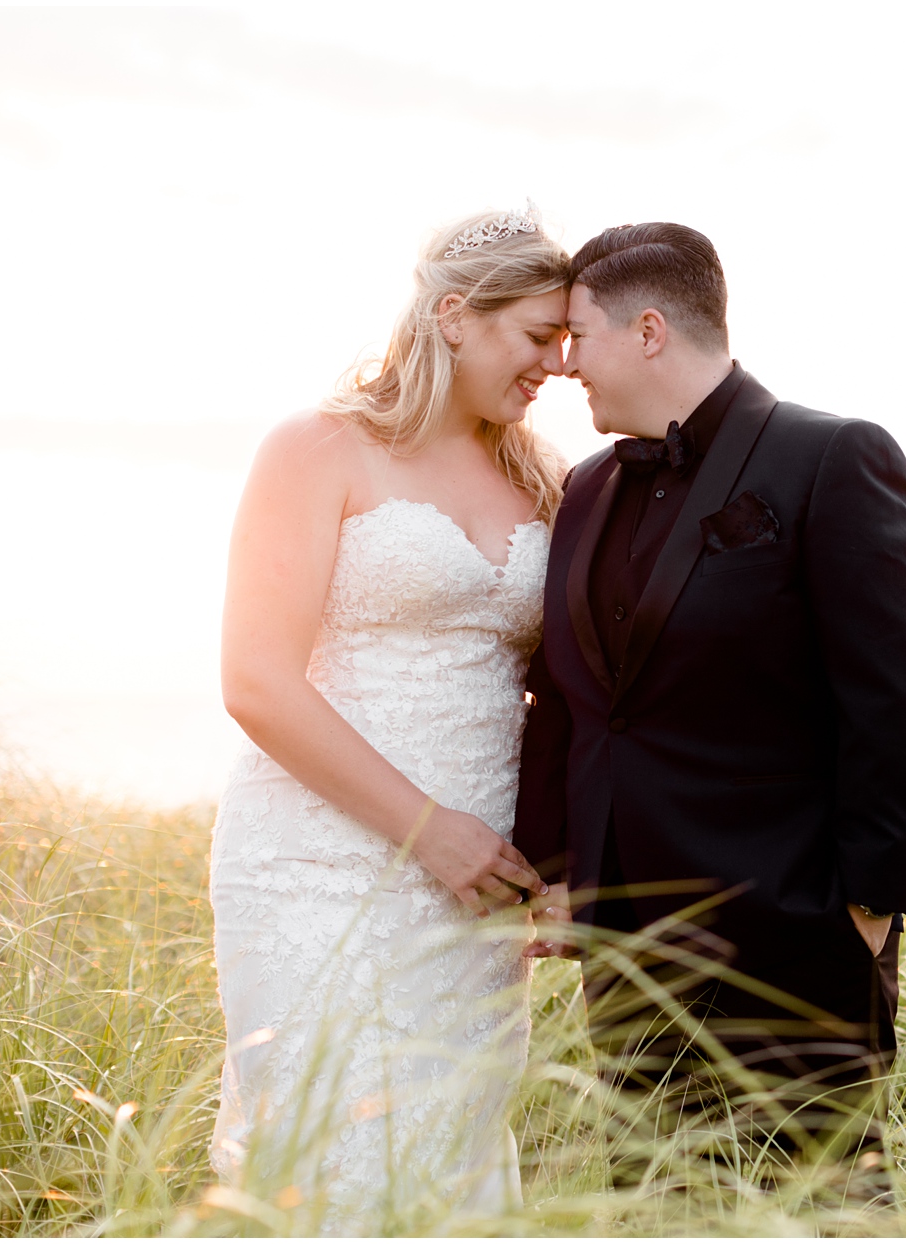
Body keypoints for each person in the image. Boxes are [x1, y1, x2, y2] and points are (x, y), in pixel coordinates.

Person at [513, 222, 906, 1191]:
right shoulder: (584, 489)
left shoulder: (834, 458)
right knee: (658, 1201)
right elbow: (569, 696)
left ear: (651, 329)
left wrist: (872, 907)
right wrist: (550, 865)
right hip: (621, 943)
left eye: (580, 333)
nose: (567, 360)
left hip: (793, 936)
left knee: (817, 1206)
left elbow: (898, 701)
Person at [209, 206, 564, 1231]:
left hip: (476, 895)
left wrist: (557, 853)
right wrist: (427, 826)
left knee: (447, 1169)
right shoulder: (317, 447)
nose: (556, 362)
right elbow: (256, 680)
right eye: (537, 335)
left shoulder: (541, 477)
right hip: (314, 865)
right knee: (333, 1161)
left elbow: (573, 694)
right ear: (456, 314)